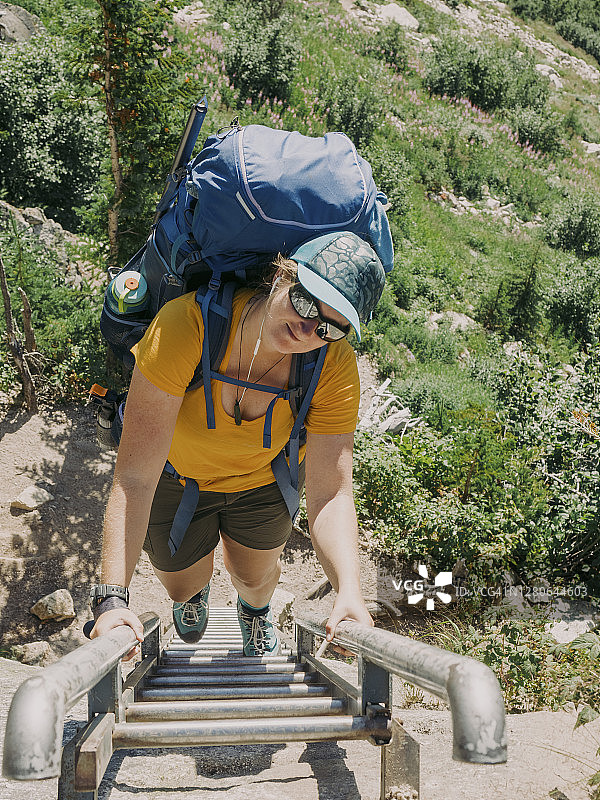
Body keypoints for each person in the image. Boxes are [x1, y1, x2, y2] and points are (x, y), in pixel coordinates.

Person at [90, 231, 386, 658]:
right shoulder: (186, 326)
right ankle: (194, 596)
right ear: (282, 276)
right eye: (306, 303)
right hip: (174, 478)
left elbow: (331, 493)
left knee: (255, 578)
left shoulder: (331, 366)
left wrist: (350, 592)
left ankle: (254, 610)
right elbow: (135, 477)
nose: (307, 329)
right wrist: (111, 600)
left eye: (329, 328)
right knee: (182, 584)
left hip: (263, 483)